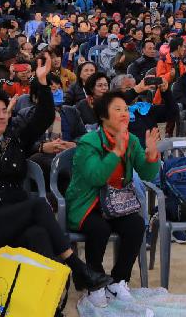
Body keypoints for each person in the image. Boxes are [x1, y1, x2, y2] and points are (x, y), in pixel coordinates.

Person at [0, 54, 110, 297]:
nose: (2, 116)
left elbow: (43, 117)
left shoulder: (13, 142)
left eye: (5, 111)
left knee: (39, 236)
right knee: (37, 204)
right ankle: (76, 267)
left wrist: (43, 81)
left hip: (16, 220)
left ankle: (49, 302)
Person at [64, 90, 160, 308]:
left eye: (126, 109)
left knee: (136, 224)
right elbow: (96, 176)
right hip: (88, 204)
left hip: (116, 203)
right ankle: (95, 283)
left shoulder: (131, 140)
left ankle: (118, 280)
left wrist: (151, 155)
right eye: (117, 109)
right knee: (99, 229)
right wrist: (116, 151)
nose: (124, 113)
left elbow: (146, 174)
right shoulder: (88, 142)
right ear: (102, 116)